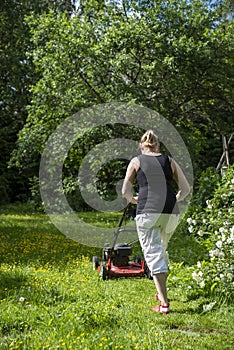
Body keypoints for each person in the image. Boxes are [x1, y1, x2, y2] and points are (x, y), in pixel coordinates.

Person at [122, 130, 190, 314]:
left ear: (141, 146)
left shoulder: (137, 161)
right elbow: (185, 188)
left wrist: (134, 200)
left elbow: (125, 191)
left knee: (153, 254)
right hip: (170, 212)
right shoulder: (169, 161)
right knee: (161, 249)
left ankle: (164, 304)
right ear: (158, 145)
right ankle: (161, 293)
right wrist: (175, 198)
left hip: (148, 210)